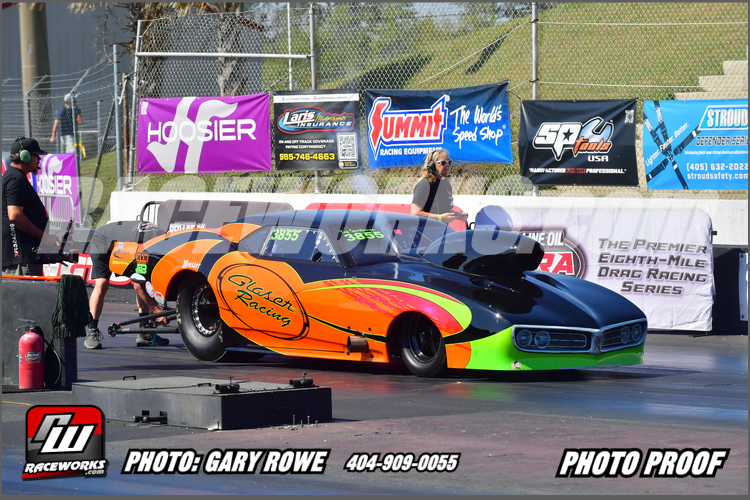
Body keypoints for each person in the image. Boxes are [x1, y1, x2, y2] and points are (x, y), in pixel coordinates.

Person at [85, 220, 170, 349]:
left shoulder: (162, 241)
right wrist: (157, 310)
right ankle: (92, 331)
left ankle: (144, 332)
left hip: (126, 241)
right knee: (102, 283)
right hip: (102, 240)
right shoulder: (146, 249)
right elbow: (138, 285)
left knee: (146, 279)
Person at [2, 136, 59, 276]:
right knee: (25, 291)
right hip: (20, 260)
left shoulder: (12, 177)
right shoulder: (16, 179)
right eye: (36, 156)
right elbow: (15, 215)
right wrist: (45, 237)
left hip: (19, 259)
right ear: (25, 156)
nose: (39, 159)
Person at [411, 148, 469, 226]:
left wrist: (457, 215)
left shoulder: (446, 185)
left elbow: (442, 212)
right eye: (443, 163)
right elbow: (415, 213)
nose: (447, 165)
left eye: (449, 162)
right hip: (426, 231)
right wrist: (440, 218)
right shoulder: (424, 185)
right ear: (432, 165)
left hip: (441, 230)